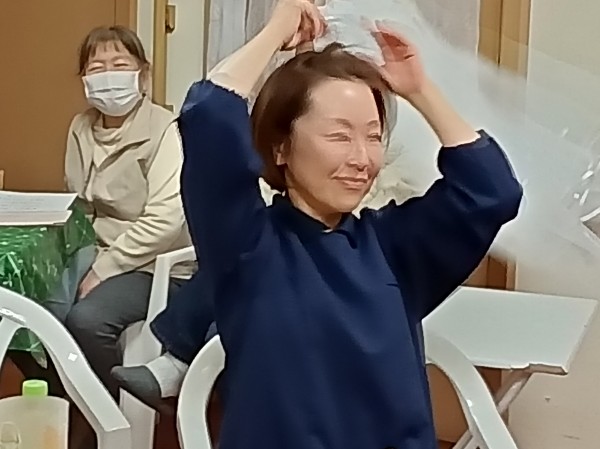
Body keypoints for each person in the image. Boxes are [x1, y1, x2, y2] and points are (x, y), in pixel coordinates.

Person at [121, 0, 523, 447]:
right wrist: (275, 32)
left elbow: (492, 192)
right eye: (339, 136)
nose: (362, 159)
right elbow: (210, 114)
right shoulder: (246, 243)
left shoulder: (393, 248)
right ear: (280, 148)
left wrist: (419, 89)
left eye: (374, 136)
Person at [12, 26, 194, 404]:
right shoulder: (81, 127)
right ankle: (64, 396)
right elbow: (81, 204)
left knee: (87, 320)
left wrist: (104, 269)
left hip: (151, 262)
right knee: (21, 306)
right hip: (94, 247)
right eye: (97, 67)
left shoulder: (167, 129)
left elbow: (165, 220)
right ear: (84, 78)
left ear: (143, 73)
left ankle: (110, 408)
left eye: (120, 64)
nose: (108, 75)